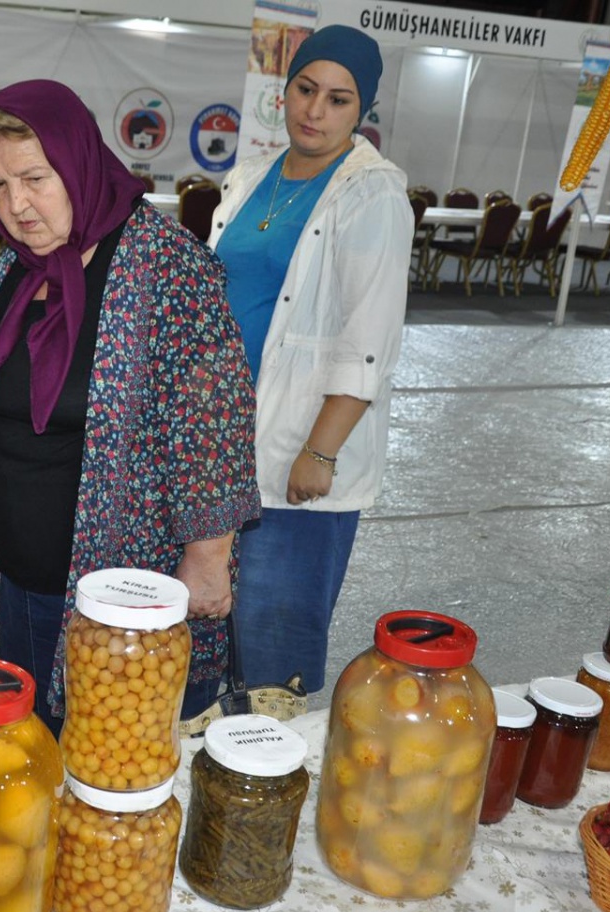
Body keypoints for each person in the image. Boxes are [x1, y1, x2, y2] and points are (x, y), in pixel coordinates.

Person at [0, 80, 260, 736]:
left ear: (78, 160)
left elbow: (216, 425)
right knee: (33, 751)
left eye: (34, 177)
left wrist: (207, 559)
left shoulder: (168, 268)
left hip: (122, 591)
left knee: (106, 768)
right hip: (23, 579)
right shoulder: (18, 268)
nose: (17, 205)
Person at [208, 24, 413, 694]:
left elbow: (369, 336)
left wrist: (320, 451)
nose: (314, 110)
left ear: (361, 112)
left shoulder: (371, 191)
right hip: (222, 440)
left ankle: (263, 774)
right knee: (209, 628)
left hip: (299, 453)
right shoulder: (247, 179)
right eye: (305, 89)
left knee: (272, 642)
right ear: (286, 89)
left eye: (338, 99)